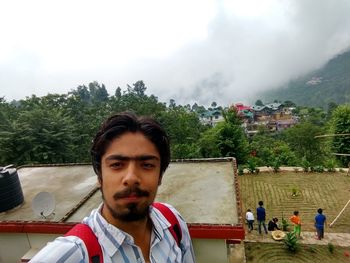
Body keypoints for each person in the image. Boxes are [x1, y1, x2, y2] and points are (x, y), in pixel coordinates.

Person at [30, 112, 195, 262]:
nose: (131, 178)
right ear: (99, 177)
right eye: (117, 164)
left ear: (160, 176)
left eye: (146, 165)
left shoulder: (172, 223)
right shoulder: (73, 255)